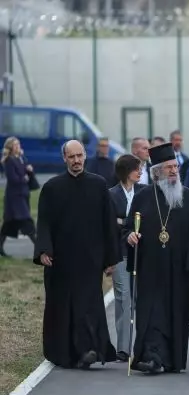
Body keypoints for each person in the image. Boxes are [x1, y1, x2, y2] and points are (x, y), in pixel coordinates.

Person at [124, 142, 189, 374]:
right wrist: (130, 236)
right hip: (151, 268)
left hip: (179, 270)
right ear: (157, 172)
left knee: (175, 313)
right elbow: (128, 228)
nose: (175, 171)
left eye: (176, 166)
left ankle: (170, 359)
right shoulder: (143, 197)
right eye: (169, 167)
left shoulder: (188, 197)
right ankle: (151, 356)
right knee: (151, 313)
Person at [33, 140, 120, 369]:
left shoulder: (98, 185)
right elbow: (44, 222)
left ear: (85, 156)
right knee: (63, 307)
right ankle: (66, 353)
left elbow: (109, 223)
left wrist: (111, 258)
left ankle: (87, 350)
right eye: (71, 157)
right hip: (60, 261)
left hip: (90, 259)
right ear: (64, 158)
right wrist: (44, 250)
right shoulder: (52, 188)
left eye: (79, 155)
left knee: (88, 306)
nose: (76, 161)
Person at [109, 154, 144, 362]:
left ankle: (141, 344)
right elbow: (108, 223)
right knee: (124, 298)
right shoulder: (111, 194)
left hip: (141, 252)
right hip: (120, 252)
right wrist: (124, 224)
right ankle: (123, 347)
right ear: (126, 171)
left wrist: (122, 221)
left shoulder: (143, 191)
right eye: (136, 168)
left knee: (140, 298)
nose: (140, 172)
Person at [0, 137, 37, 257]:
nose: (18, 147)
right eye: (15, 145)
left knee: (9, 223)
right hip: (14, 197)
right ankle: (40, 248)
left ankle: (0, 247)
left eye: (18, 144)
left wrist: (29, 170)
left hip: (23, 195)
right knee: (26, 220)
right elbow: (12, 178)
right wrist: (24, 178)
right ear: (11, 148)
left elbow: (25, 171)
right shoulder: (9, 161)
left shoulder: (20, 158)